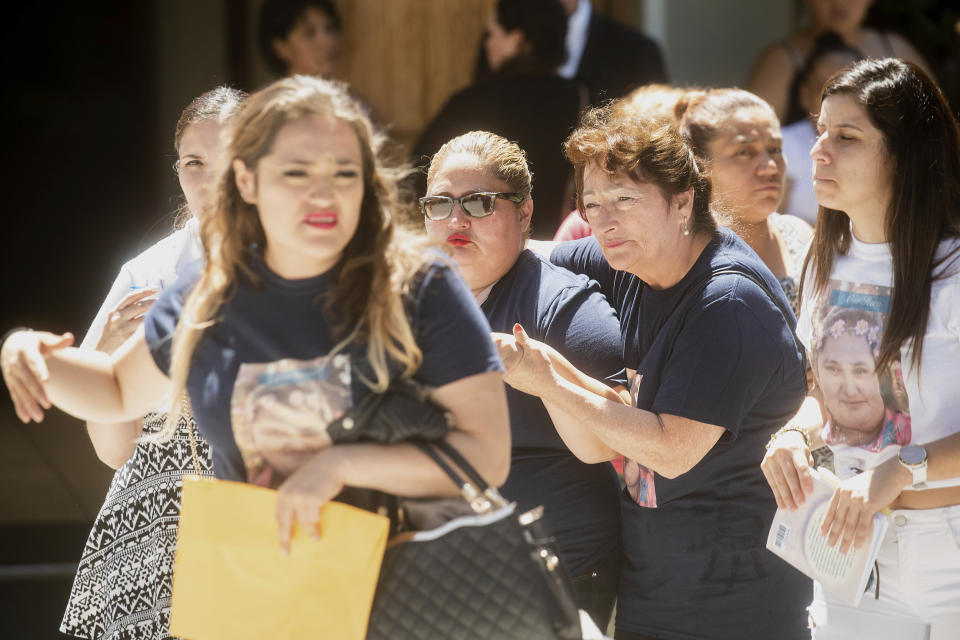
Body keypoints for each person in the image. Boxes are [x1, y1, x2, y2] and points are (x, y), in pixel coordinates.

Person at [8, 76, 510, 565]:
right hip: (257, 591)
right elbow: (115, 389)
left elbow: (486, 455)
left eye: (344, 171)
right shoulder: (209, 291)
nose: (323, 194)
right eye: (296, 172)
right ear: (246, 180)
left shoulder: (420, 285)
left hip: (398, 590)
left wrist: (340, 465)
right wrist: (28, 352)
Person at [510, 105, 812, 638]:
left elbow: (672, 451)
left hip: (738, 606)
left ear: (682, 202)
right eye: (593, 203)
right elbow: (529, 252)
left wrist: (549, 381)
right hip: (655, 594)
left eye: (625, 200)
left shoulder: (728, 301)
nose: (604, 221)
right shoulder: (631, 257)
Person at [1, 86, 245, 640]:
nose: (210, 182)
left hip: (278, 505)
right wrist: (93, 350)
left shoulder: (314, 263)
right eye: (193, 163)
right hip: (162, 513)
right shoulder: (150, 275)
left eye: (229, 160)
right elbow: (115, 450)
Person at [761, 58, 960, 639]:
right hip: (850, 553)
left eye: (847, 137)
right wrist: (793, 435)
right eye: (820, 131)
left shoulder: (952, 270)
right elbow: (821, 396)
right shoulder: (824, 264)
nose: (818, 151)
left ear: (907, 155)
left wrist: (902, 469)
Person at [421, 130, 626, 629]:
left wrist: (542, 375)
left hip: (552, 575)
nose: (457, 219)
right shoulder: (406, 301)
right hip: (433, 571)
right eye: (440, 204)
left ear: (526, 214)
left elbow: (605, 445)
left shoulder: (564, 309)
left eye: (479, 202)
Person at [414, 0, 582, 239]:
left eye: (492, 34)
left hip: (482, 242)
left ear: (517, 39)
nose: (487, 44)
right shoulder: (579, 97)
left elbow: (418, 171)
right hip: (556, 244)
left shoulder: (470, 101)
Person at [677, 88, 813, 312]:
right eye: (745, 152)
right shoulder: (684, 253)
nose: (769, 166)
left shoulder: (800, 233)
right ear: (701, 165)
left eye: (775, 149)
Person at [745, 0, 930, 126]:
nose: (840, 2)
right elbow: (750, 135)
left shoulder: (897, 50)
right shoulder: (781, 61)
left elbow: (933, 127)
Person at [552, 83, 687, 243]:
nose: (605, 225)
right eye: (591, 205)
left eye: (624, 199)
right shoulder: (581, 227)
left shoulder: (704, 231)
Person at [780, 32, 863, 224]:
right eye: (824, 87)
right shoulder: (784, 143)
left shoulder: (880, 145)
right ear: (804, 94)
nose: (835, 96)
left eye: (845, 86)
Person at [813, 306, 910, 452]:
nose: (850, 390)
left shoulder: (909, 432)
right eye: (833, 369)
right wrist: (793, 435)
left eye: (860, 371)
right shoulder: (834, 429)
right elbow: (819, 396)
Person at [258, 0, 342, 78]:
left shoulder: (347, 93)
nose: (326, 41)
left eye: (330, 28)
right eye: (309, 33)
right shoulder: (276, 94)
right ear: (281, 47)